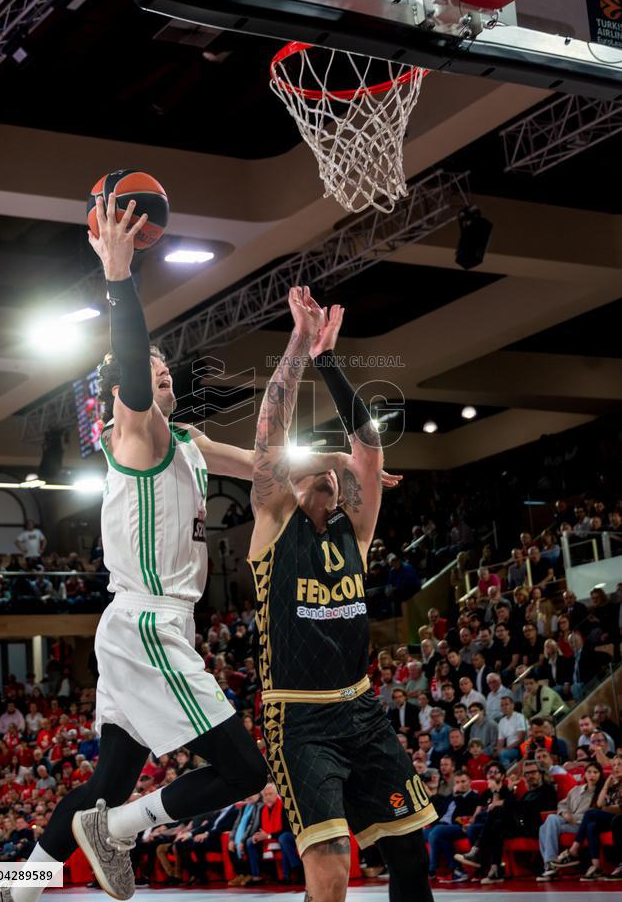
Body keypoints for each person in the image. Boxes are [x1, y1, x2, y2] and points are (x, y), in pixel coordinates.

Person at [0, 193, 268, 902]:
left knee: (104, 783)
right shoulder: (134, 435)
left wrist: (344, 466)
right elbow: (133, 369)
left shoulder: (186, 440)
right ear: (118, 398)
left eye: (167, 370)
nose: (161, 373)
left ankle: (12, 891)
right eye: (150, 371)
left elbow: (263, 465)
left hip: (143, 623)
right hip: (148, 622)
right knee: (244, 772)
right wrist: (119, 275)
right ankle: (120, 830)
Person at [247, 289, 434, 902]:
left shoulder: (355, 529)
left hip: (360, 706)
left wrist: (327, 358)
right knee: (330, 869)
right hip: (299, 716)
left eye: (336, 470)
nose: (332, 471)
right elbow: (268, 436)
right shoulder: (274, 525)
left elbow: (370, 448)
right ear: (293, 480)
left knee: (410, 850)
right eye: (318, 467)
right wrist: (297, 343)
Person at [456, 758, 557, 884]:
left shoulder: (547, 790)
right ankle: (494, 868)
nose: (530, 776)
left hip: (535, 827)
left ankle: (478, 852)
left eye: (533, 772)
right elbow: (518, 806)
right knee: (497, 824)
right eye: (527, 773)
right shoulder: (527, 793)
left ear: (541, 773)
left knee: (496, 814)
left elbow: (529, 807)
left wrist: (503, 802)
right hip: (520, 825)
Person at [554, 754, 622, 880]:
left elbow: (617, 808)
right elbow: (600, 804)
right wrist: (606, 785)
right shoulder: (612, 785)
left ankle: (573, 850)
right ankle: (596, 866)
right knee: (591, 826)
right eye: (614, 765)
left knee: (590, 814)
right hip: (613, 818)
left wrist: (606, 808)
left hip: (618, 818)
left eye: (620, 765)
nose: (616, 768)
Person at [537, 761, 605, 879]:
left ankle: (549, 865)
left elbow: (595, 814)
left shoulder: (601, 793)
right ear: (585, 774)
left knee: (546, 827)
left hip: (581, 825)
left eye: (595, 772)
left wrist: (574, 818)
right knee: (547, 823)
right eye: (589, 772)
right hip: (568, 821)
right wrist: (564, 813)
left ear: (600, 775)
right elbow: (562, 804)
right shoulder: (576, 789)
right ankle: (550, 864)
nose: (592, 775)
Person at [426, 770, 478, 882]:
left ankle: (431, 870)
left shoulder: (474, 796)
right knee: (421, 834)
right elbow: (440, 809)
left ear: (470, 782)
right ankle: (458, 870)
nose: (460, 785)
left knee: (437, 831)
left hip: (461, 826)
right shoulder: (452, 796)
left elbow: (465, 812)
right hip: (443, 826)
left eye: (463, 781)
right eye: (457, 782)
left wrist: (456, 796)